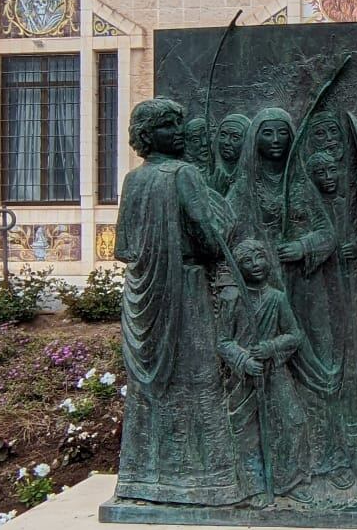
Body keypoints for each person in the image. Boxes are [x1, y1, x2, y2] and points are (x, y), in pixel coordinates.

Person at [114, 98, 255, 507]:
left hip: (142, 295)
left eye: (178, 125)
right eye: (168, 126)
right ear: (147, 134)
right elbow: (211, 237)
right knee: (200, 380)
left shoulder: (132, 182)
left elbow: (124, 247)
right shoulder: (185, 174)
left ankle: (142, 479)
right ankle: (211, 483)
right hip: (185, 290)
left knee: (153, 390)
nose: (178, 132)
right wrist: (221, 214)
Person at [217, 238, 315, 501]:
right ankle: (254, 488)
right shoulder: (232, 299)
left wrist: (271, 347)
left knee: (294, 421)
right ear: (239, 267)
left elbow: (295, 335)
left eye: (259, 257)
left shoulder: (276, 298)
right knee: (248, 433)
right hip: (245, 378)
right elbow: (223, 341)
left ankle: (290, 482)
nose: (256, 265)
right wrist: (244, 360)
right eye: (247, 262)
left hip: (275, 372)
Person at [210, 113, 250, 195]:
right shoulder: (205, 176)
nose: (226, 142)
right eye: (223, 135)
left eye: (235, 137)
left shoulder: (252, 179)